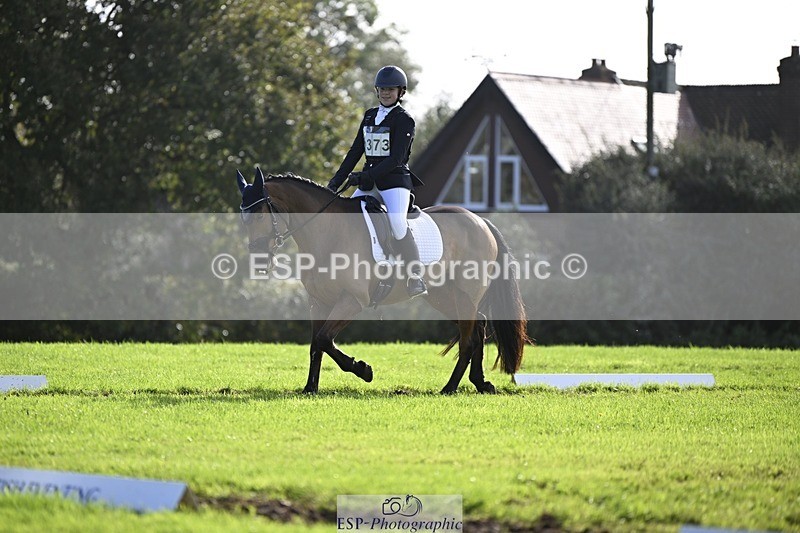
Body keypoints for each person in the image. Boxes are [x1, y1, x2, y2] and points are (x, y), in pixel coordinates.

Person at [327, 65, 428, 298]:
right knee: (347, 216)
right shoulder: (370, 115)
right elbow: (356, 151)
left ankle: (415, 276)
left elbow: (396, 159)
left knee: (397, 223)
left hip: (394, 183)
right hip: (369, 183)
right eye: (382, 89)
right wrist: (335, 181)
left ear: (400, 92)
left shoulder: (404, 120)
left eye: (390, 89)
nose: (385, 93)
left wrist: (366, 176)